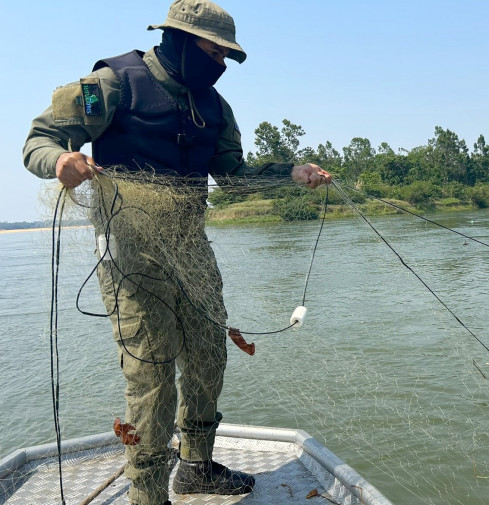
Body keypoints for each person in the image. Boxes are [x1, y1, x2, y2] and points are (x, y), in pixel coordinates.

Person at [22, 1, 330, 504]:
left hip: (191, 248)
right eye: (215, 52)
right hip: (129, 254)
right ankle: (147, 493)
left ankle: (196, 467)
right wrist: (61, 161)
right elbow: (40, 139)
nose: (222, 65)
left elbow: (232, 177)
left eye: (228, 57)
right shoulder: (113, 84)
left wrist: (291, 173)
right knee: (153, 373)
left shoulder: (214, 106)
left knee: (209, 357)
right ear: (181, 41)